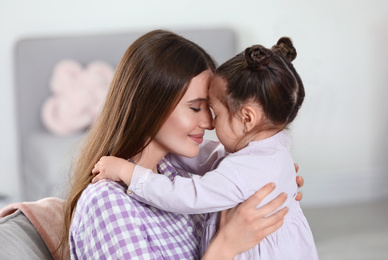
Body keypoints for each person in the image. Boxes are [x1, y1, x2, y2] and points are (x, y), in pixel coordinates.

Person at [62, 29, 304, 259]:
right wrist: (226, 246)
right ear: (150, 105)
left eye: (210, 108)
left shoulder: (180, 175)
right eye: (196, 107)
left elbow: (220, 160)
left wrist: (268, 178)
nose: (210, 123)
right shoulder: (108, 203)